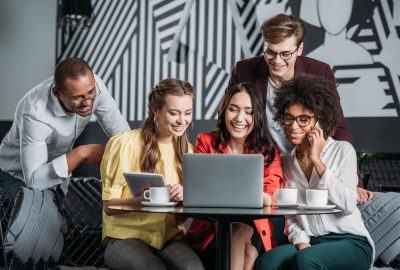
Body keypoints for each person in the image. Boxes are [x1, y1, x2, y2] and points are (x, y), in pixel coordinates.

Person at [227, 13, 373, 204]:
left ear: (299, 49)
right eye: (270, 52)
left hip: (304, 165)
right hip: (264, 168)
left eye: (285, 54)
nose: (277, 60)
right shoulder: (244, 70)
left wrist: (354, 182)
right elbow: (229, 119)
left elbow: (337, 126)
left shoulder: (320, 72)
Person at [256, 74, 375, 270]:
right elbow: (291, 216)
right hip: (313, 242)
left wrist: (316, 160)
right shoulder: (286, 162)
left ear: (318, 120)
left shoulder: (342, 151)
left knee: (306, 260)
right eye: (289, 118)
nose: (294, 126)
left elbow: (347, 205)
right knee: (268, 262)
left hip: (351, 242)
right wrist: (301, 243)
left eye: (303, 119)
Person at [101, 78, 204, 270]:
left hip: (168, 238)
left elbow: (182, 219)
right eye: (174, 113)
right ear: (156, 110)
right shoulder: (125, 144)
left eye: (187, 113)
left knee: (193, 267)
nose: (182, 120)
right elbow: (108, 206)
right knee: (151, 267)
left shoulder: (189, 152)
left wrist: (184, 200)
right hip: (125, 236)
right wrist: (138, 202)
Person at [186, 82, 283, 270]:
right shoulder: (206, 142)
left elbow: (270, 193)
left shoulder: (268, 150)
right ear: (224, 111)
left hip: (255, 230)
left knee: (240, 229)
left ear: (257, 116)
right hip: (212, 231)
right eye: (233, 109)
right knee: (249, 252)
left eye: (248, 111)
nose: (240, 118)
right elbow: (199, 189)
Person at [0, 57, 129, 195]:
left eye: (91, 93)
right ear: (57, 93)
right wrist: (83, 153)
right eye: (77, 98)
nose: (87, 103)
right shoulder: (35, 114)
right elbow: (34, 181)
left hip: (54, 181)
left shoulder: (94, 86)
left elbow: (123, 135)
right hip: (13, 180)